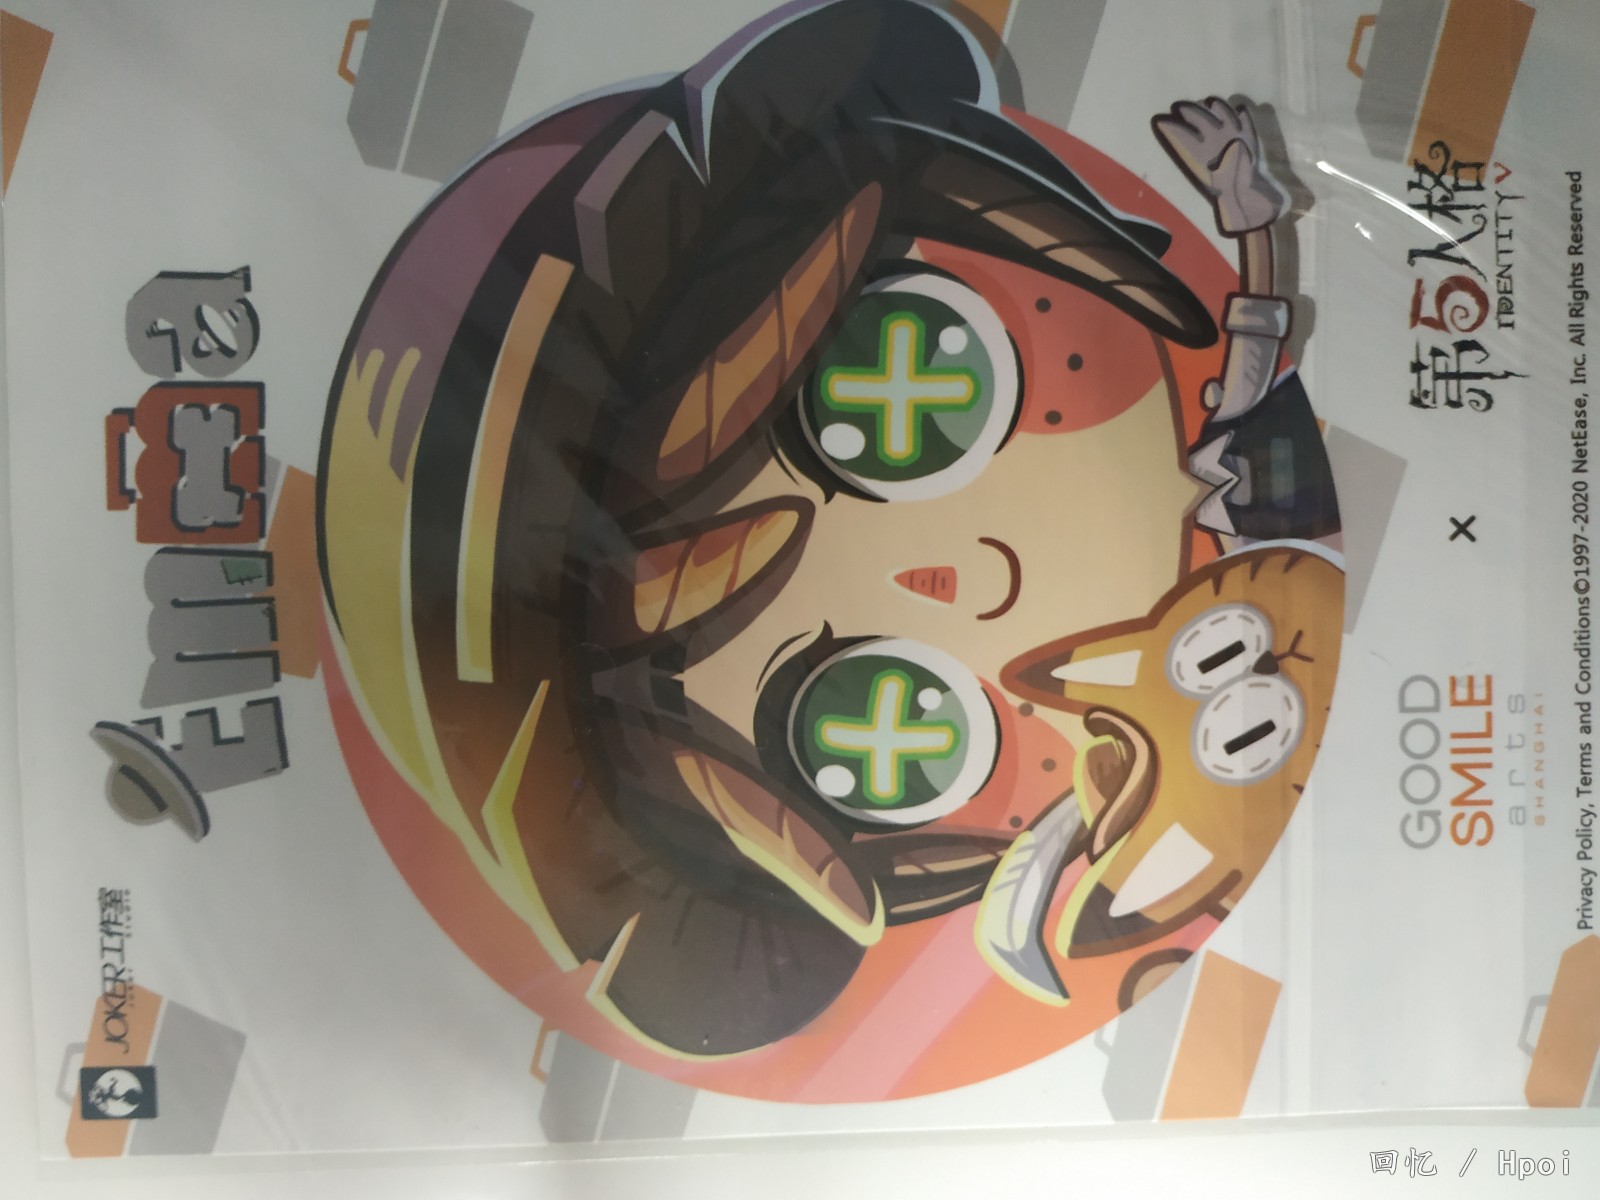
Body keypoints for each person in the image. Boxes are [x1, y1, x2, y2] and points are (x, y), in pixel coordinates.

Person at [320, 0, 1342, 1073]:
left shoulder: (1247, 460)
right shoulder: (1186, 804)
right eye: (878, 726)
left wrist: (1250, 215)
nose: (977, 583)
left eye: (916, 398)